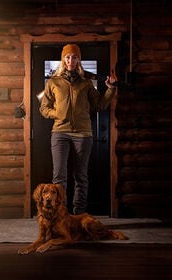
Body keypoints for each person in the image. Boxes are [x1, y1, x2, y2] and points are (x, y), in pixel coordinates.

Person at [39, 43, 116, 215]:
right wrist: (57, 113)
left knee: (81, 177)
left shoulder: (87, 83)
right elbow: (43, 108)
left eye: (74, 57)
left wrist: (110, 89)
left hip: (83, 134)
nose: (70, 60)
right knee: (59, 178)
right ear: (63, 59)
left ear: (79, 60)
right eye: (67, 57)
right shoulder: (53, 82)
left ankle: (79, 215)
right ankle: (60, 215)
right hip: (59, 133)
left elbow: (100, 105)